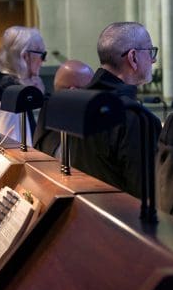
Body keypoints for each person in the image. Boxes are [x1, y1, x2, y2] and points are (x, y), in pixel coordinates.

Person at [69, 22, 161, 198]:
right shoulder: (135, 118)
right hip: (123, 221)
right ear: (133, 57)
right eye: (150, 51)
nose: (153, 59)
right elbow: (146, 195)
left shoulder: (78, 102)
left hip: (85, 213)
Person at [0, 25, 47, 142]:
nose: (44, 61)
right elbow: (12, 148)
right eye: (42, 55)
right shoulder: (12, 94)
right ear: (25, 56)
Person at [33, 59, 94, 157]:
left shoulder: (48, 112)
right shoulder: (81, 129)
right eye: (90, 88)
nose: (94, 94)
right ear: (73, 91)